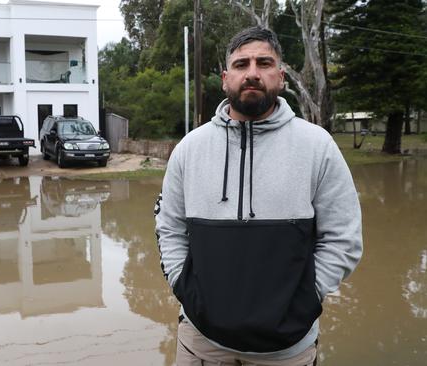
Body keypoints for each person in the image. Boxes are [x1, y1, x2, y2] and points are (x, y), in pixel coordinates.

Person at [154, 26, 363, 365]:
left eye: (264, 63)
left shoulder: (317, 146)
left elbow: (343, 238)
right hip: (200, 341)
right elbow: (169, 227)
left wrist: (305, 300)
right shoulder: (189, 149)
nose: (252, 73)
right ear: (225, 78)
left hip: (287, 347)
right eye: (241, 64)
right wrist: (185, 289)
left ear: (280, 76)